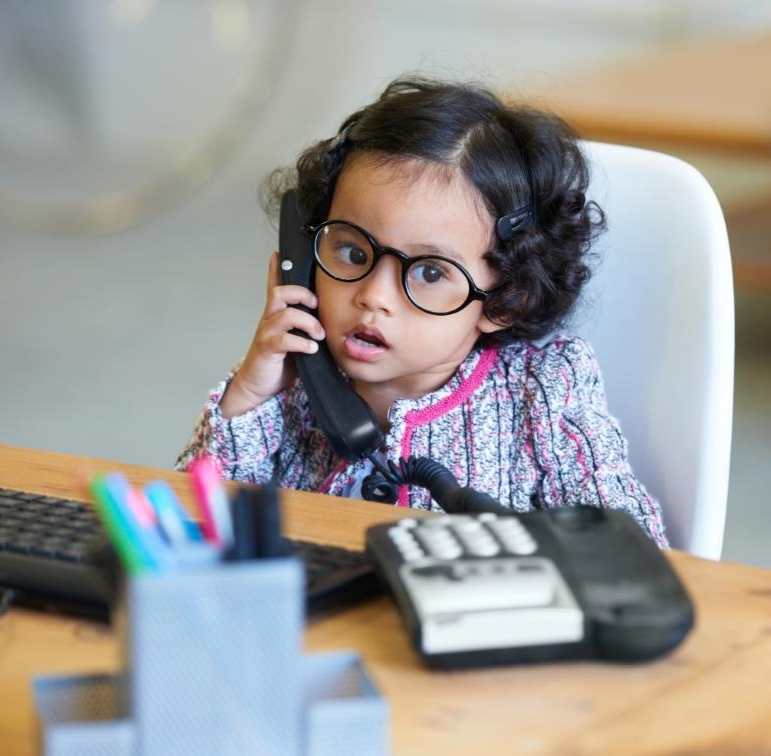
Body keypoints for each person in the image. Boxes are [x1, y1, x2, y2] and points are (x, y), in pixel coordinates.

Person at [176, 77, 667, 547]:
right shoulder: (286, 387)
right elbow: (188, 534)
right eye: (352, 252)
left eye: (430, 273)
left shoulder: (544, 392)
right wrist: (248, 397)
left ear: (506, 299)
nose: (375, 297)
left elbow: (627, 549)